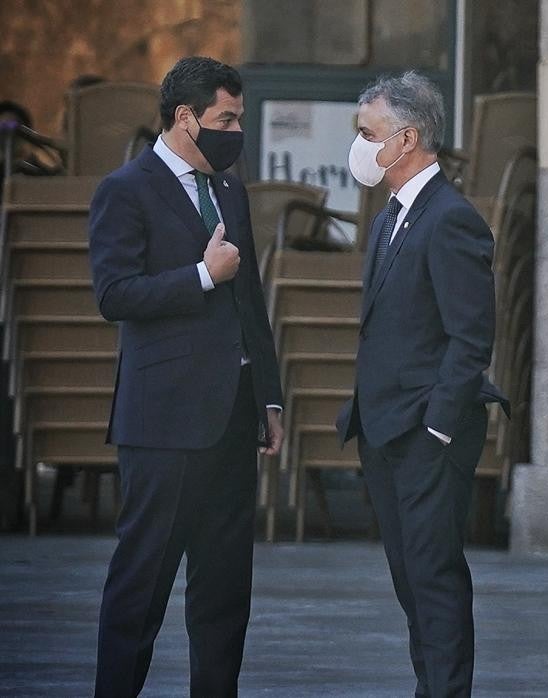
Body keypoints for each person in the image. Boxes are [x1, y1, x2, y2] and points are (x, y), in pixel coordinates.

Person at [88, 56, 284, 697]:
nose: (235, 132)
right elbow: (115, 294)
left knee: (225, 589)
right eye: (225, 119)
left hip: (232, 418)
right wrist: (202, 276)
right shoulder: (126, 189)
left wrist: (270, 398)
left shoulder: (229, 190)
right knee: (141, 584)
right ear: (184, 117)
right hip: (164, 423)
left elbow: (250, 297)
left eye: (239, 119)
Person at [335, 70, 508, 698]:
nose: (359, 146)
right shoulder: (389, 219)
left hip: (426, 433)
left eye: (367, 133)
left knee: (432, 574)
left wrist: (437, 424)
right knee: (408, 575)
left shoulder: (450, 219)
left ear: (405, 139)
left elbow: (471, 335)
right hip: (384, 428)